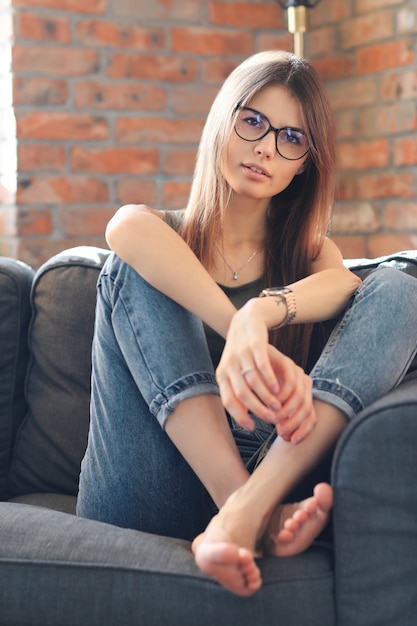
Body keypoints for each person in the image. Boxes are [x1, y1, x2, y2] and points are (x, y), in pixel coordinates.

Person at [76, 50, 417, 597]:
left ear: (304, 163)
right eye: (253, 121)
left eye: (291, 137)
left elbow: (349, 286)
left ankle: (244, 510)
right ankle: (249, 511)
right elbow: (124, 228)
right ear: (222, 121)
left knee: (404, 288)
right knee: (132, 270)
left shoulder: (309, 255)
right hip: (147, 480)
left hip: (266, 458)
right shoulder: (160, 234)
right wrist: (235, 323)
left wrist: (261, 312)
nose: (264, 147)